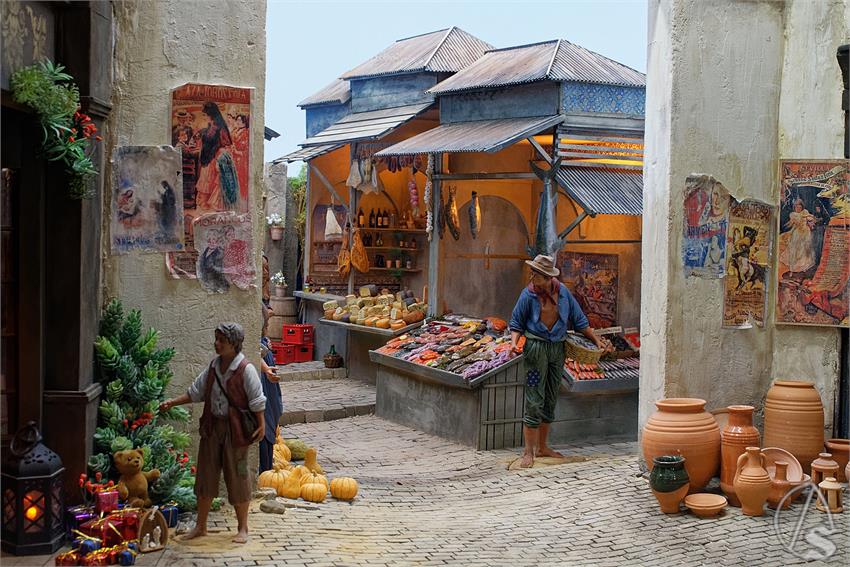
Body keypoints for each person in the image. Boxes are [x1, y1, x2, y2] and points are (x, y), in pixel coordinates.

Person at [159, 323, 266, 544]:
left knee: (238, 477)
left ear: (234, 344)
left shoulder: (246, 369)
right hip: (212, 427)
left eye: (222, 341)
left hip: (235, 431)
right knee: (205, 476)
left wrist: (261, 424)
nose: (216, 344)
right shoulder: (212, 368)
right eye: (216, 339)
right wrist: (173, 402)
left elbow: (257, 400)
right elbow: (195, 392)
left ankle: (243, 527)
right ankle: (201, 526)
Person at [509, 254, 609, 468]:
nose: (532, 277)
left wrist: (596, 340)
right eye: (533, 273)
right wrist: (514, 343)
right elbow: (516, 323)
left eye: (537, 274)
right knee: (534, 396)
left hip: (557, 349)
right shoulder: (527, 295)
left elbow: (580, 320)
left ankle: (543, 447)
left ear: (547, 277)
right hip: (536, 349)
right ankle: (528, 451)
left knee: (551, 395)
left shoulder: (563, 293)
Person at [195, 101, 240, 212]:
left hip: (214, 160)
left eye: (205, 115)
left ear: (211, 114)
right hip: (207, 159)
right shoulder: (210, 126)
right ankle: (203, 206)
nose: (204, 117)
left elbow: (226, 145)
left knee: (210, 183)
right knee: (205, 185)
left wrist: (217, 160)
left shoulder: (220, 128)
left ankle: (209, 207)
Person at [258, 304, 283, 473]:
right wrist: (266, 369)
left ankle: (267, 469)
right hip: (262, 381)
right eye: (265, 326)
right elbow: (251, 351)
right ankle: (263, 470)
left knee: (271, 416)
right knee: (265, 421)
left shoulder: (263, 341)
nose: (267, 328)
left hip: (268, 381)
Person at [779, 198, 816, 278]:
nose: (798, 208)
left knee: (804, 250)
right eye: (796, 207)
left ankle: (804, 268)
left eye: (799, 207)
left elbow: (811, 220)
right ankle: (793, 269)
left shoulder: (805, 212)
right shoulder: (793, 214)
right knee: (794, 250)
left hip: (805, 233)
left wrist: (809, 220)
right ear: (794, 207)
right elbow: (794, 223)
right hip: (797, 233)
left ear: (802, 207)